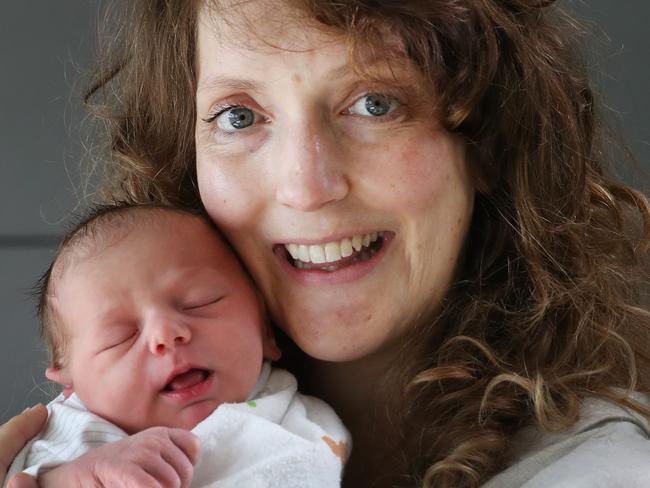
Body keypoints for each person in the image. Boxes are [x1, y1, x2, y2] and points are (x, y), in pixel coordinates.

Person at [3, 0, 650, 486]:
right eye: (239, 116)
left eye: (374, 103)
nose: (305, 186)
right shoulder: (75, 445)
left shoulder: (602, 471)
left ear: (485, 141)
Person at [6, 204, 349, 487]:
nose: (166, 334)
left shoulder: (300, 421)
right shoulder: (74, 428)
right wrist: (76, 478)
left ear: (266, 329)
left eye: (200, 302)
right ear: (71, 384)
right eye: (120, 335)